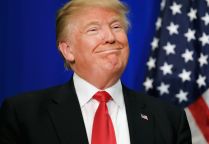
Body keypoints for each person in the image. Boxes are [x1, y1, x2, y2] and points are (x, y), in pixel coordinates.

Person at [0, 0, 192, 143]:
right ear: (68, 50)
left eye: (116, 26)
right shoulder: (24, 115)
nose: (110, 37)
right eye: (93, 29)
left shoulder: (170, 119)